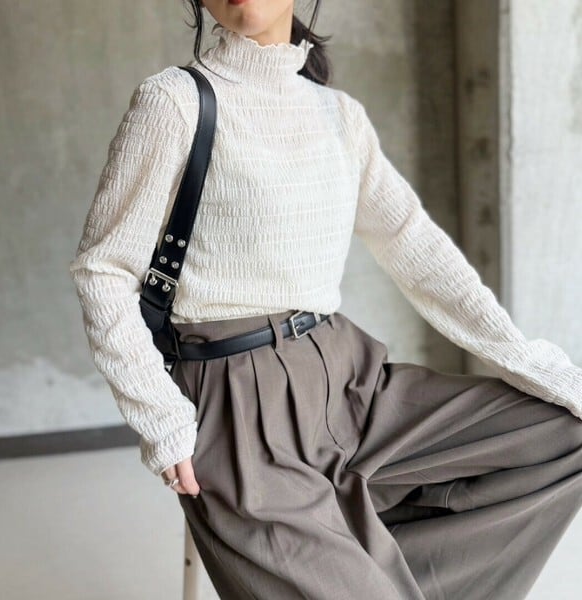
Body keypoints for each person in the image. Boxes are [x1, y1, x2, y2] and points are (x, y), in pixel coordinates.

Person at [69, 0, 582, 598]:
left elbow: (415, 245)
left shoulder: (339, 115)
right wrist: (159, 415)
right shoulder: (174, 102)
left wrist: (528, 360)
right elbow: (102, 270)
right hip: (235, 404)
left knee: (565, 432)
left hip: (353, 384)